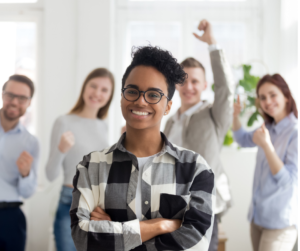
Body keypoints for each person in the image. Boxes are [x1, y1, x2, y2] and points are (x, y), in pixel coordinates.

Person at [70, 46, 216, 251]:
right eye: (132, 91)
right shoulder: (91, 166)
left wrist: (114, 233)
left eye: (154, 95)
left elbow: (197, 244)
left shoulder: (196, 169)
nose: (140, 101)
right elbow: (83, 239)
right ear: (121, 97)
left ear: (167, 106)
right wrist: (160, 225)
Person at [163, 19, 233, 251]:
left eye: (195, 81)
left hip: (205, 207)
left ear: (204, 85)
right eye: (183, 80)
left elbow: (225, 87)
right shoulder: (170, 121)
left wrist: (212, 43)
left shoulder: (214, 115)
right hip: (173, 206)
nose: (189, 86)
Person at [45, 68, 114, 251]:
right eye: (93, 86)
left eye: (104, 90)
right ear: (85, 87)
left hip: (98, 208)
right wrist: (61, 150)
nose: (97, 93)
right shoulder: (64, 121)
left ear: (109, 96)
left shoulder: (104, 127)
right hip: (71, 202)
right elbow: (50, 175)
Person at [232, 74, 298, 251]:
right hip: (257, 219)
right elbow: (242, 139)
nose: (267, 101)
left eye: (272, 94)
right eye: (262, 97)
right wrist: (235, 116)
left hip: (279, 225)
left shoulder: (295, 132)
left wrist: (267, 146)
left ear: (286, 95)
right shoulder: (267, 128)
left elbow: (289, 181)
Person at [0, 75, 39, 251]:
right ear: (2, 95)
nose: (15, 102)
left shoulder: (31, 143)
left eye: (22, 98)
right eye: (10, 95)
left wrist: (25, 174)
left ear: (29, 102)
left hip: (10, 217)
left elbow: (28, 192)